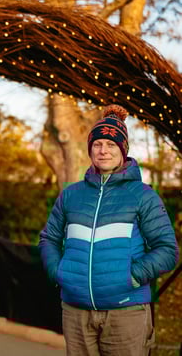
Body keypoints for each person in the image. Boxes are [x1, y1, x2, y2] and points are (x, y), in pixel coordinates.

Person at [38, 104, 179, 356]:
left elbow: (167, 250)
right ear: (90, 148)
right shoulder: (71, 195)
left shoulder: (143, 196)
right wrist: (59, 273)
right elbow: (49, 238)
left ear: (123, 150)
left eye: (111, 145)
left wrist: (131, 278)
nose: (103, 151)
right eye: (97, 144)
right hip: (76, 311)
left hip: (126, 312)